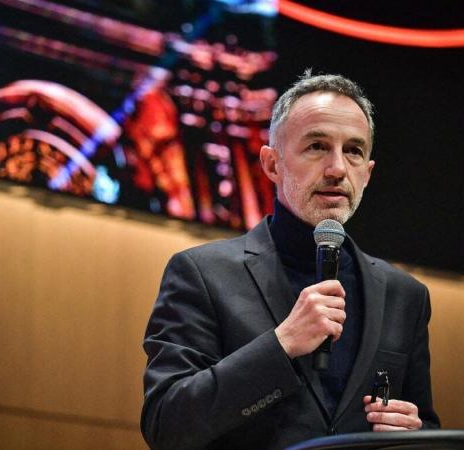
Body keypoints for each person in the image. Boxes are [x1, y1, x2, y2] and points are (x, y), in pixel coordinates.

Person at [141, 70, 440, 450]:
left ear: (367, 173)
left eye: (353, 151)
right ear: (271, 164)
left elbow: (425, 425)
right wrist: (281, 345)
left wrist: (416, 436)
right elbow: (166, 425)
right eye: (317, 146)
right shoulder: (201, 274)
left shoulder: (407, 296)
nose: (337, 169)